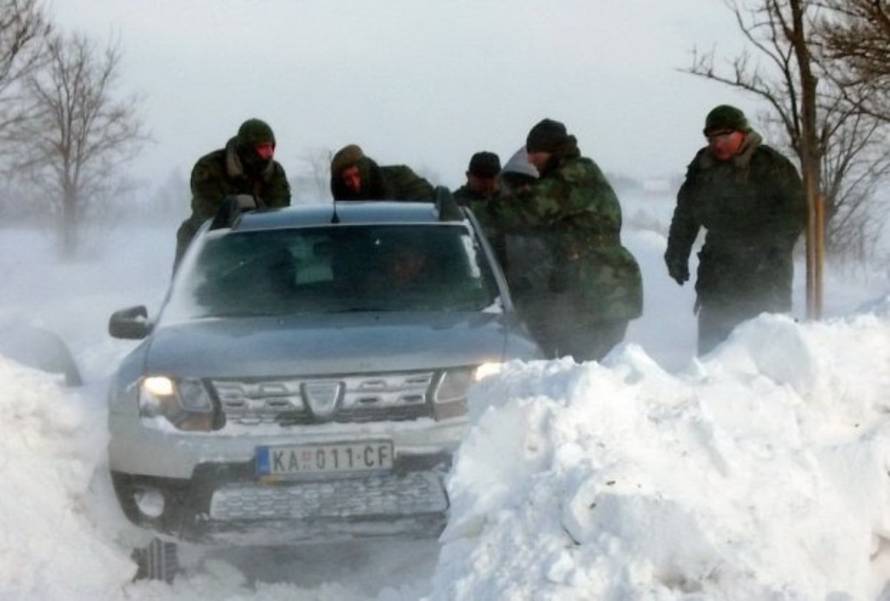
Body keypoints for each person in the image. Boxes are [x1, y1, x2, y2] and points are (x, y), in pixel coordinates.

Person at [491, 118, 643, 362]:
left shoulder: (574, 175)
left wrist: (473, 212)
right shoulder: (572, 175)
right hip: (593, 287)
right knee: (583, 368)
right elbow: (550, 241)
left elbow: (526, 211)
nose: (530, 160)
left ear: (551, 150)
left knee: (588, 370)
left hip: (601, 289)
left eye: (534, 153)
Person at [665, 105, 806, 354]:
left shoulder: (770, 165)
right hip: (718, 273)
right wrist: (677, 253)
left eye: (725, 136)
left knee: (764, 350)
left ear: (742, 133)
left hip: (765, 273)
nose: (718, 144)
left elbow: (795, 212)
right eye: (712, 138)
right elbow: (686, 214)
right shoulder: (702, 168)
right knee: (714, 352)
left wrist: (772, 247)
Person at [174, 118, 291, 268]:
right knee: (188, 238)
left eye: (271, 147)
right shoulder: (210, 168)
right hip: (211, 240)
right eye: (263, 148)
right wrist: (248, 204)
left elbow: (278, 213)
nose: (269, 153)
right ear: (247, 149)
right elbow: (209, 213)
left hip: (260, 239)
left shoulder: (274, 172)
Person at [330, 144, 435, 201]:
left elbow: (428, 202)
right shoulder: (339, 214)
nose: (355, 183)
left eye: (357, 175)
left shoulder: (400, 177)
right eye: (348, 179)